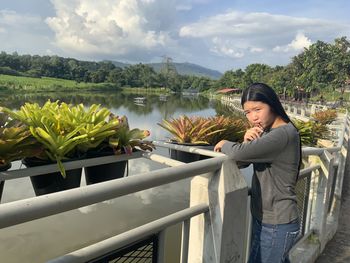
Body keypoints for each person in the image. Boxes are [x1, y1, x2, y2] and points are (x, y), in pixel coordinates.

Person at [214, 83, 301, 263]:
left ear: (272, 104)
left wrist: (224, 143)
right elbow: (241, 162)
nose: (253, 117)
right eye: (247, 112)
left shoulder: (281, 134)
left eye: (257, 109)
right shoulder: (271, 133)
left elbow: (237, 154)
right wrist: (247, 141)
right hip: (270, 219)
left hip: (277, 222)